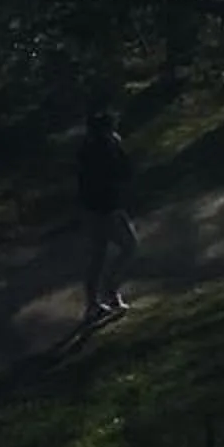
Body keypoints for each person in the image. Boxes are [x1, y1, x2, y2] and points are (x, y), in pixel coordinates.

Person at [76, 103, 137, 324]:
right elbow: (124, 171)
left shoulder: (87, 148)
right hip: (107, 207)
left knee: (98, 256)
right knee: (129, 245)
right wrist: (118, 147)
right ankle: (110, 291)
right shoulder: (105, 148)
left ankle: (93, 303)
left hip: (92, 207)